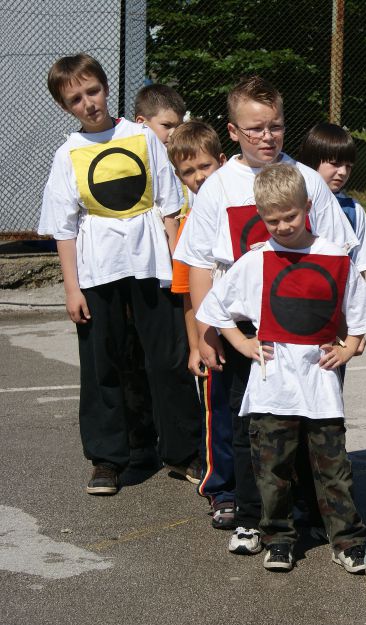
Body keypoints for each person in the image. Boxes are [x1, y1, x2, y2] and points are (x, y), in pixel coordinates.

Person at [174, 76, 360, 556]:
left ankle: (305, 514)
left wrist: (344, 333)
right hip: (245, 330)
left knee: (308, 427)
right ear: (233, 132)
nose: (267, 136)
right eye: (255, 128)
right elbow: (199, 263)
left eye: (275, 126)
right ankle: (250, 513)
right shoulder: (217, 188)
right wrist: (204, 334)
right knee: (247, 424)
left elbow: (338, 258)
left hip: (305, 330)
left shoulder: (309, 181)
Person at [38, 53, 202, 495]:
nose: (88, 103)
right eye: (75, 98)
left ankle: (185, 452)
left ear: (106, 88)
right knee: (101, 363)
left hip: (152, 265)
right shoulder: (68, 154)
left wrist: (177, 268)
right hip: (97, 271)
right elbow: (64, 229)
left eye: (92, 91)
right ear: (64, 105)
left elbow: (169, 205)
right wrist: (72, 288)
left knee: (167, 358)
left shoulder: (142, 138)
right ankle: (108, 459)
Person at [196, 163, 366, 572]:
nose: (282, 226)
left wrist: (348, 349)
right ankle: (278, 537)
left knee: (333, 470)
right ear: (260, 216)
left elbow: (360, 317)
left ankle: (346, 540)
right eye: (271, 219)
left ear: (307, 206)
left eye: (290, 216)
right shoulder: (257, 260)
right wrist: (241, 342)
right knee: (272, 471)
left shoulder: (335, 257)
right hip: (272, 388)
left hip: (321, 390)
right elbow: (216, 308)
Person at [128, 83, 202, 481]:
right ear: (142, 124)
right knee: (142, 361)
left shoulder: (185, 165)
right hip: (152, 272)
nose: (173, 133)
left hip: (179, 276)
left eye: (178, 124)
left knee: (173, 362)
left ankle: (184, 449)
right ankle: (143, 445)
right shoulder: (137, 159)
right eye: (166, 125)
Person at [166, 121, 235, 527]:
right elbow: (189, 298)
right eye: (188, 172)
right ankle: (221, 489)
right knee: (219, 415)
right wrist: (195, 345)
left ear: (222, 162)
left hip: (246, 332)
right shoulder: (191, 225)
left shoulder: (243, 205)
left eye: (205, 166)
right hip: (211, 337)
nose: (198, 177)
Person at [298, 123, 366, 273]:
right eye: (335, 163)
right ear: (311, 159)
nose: (342, 172)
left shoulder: (353, 210)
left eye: (348, 166)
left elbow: (362, 264)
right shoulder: (291, 203)